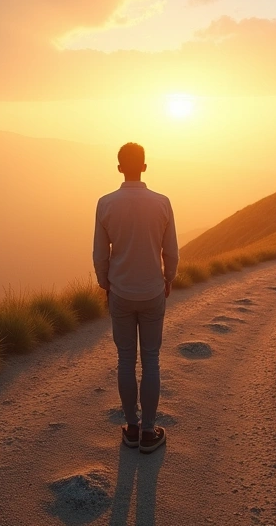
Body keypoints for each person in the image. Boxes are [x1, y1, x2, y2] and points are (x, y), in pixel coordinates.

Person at [93, 142, 177, 454]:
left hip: (121, 291)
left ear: (119, 168)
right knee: (151, 359)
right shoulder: (162, 203)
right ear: (144, 166)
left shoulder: (105, 204)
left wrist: (105, 283)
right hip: (153, 290)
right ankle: (149, 431)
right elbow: (171, 251)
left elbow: (100, 253)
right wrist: (168, 279)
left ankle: (131, 427)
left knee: (126, 359)